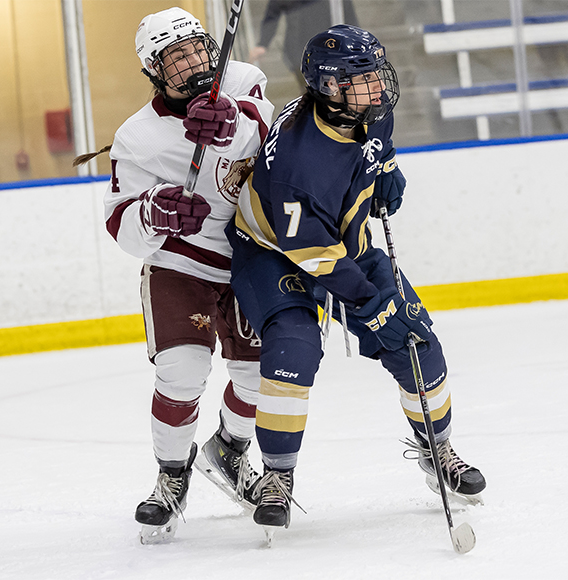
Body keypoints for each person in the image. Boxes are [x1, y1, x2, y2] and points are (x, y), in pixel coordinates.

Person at [226, 24, 486, 535]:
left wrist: (385, 165)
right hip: (273, 252)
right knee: (293, 349)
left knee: (417, 339)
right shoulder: (300, 164)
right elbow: (312, 252)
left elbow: (377, 135)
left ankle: (439, 449)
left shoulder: (364, 106)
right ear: (328, 87)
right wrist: (372, 304)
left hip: (342, 240)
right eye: (362, 81)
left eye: (376, 76)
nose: (378, 88)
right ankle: (278, 476)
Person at [92, 7, 274, 543]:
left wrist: (235, 119)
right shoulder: (137, 136)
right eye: (177, 57)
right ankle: (172, 477)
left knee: (259, 379)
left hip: (248, 256)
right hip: (181, 265)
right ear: (154, 70)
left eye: (198, 48)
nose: (195, 62)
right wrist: (156, 211)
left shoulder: (241, 80)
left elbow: (276, 138)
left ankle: (231, 451)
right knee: (182, 372)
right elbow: (118, 219)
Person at [248, 0, 358, 87]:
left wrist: (356, 42)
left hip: (331, 48)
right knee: (313, 91)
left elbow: (347, 12)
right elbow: (273, 12)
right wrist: (263, 43)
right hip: (300, 51)